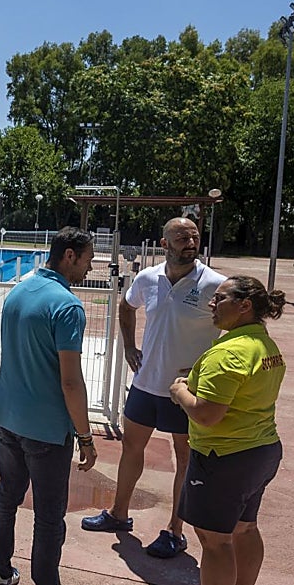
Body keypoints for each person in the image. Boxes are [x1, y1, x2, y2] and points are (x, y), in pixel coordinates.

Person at [155, 276, 287, 585]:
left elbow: (207, 415)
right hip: (260, 450)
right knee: (245, 529)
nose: (212, 304)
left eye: (221, 298)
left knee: (215, 543)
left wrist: (180, 390)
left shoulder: (228, 354)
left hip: (223, 458)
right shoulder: (265, 345)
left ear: (245, 305)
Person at [82, 218, 225, 559]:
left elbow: (236, 327)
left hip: (187, 390)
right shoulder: (148, 279)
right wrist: (129, 347)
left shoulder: (214, 284)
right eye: (181, 237)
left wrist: (213, 368)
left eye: (193, 236)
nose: (189, 242)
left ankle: (175, 530)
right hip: (146, 383)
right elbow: (126, 306)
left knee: (185, 458)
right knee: (132, 447)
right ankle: (119, 514)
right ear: (164, 243)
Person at [0, 227, 97, 585]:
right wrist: (85, 436)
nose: (90, 266)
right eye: (87, 258)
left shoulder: (19, 290)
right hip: (46, 430)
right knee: (49, 516)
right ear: (69, 256)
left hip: (6, 417)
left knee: (7, 497)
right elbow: (70, 380)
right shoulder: (67, 306)